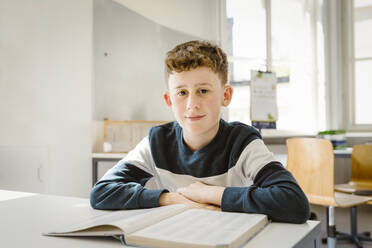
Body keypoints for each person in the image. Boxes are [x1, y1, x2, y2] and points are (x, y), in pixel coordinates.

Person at [90, 40, 310, 224]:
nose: (191, 104)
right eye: (182, 92)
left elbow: (294, 202)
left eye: (203, 91)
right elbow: (102, 192)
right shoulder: (156, 142)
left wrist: (210, 194)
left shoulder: (242, 142)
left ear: (226, 95)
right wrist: (173, 199)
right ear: (169, 100)